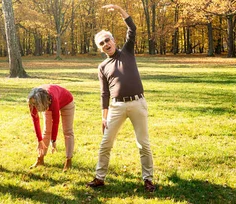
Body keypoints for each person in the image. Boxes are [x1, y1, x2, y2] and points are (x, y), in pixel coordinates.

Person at [86, 4, 156, 192]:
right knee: (105, 143)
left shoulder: (127, 51)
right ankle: (99, 178)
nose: (105, 44)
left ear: (114, 40)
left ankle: (148, 179)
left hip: (137, 103)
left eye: (107, 40)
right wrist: (104, 115)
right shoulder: (102, 67)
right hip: (116, 107)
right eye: (101, 43)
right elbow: (104, 93)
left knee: (143, 144)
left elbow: (132, 28)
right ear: (100, 49)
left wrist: (118, 9)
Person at [28, 85, 75, 172]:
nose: (34, 106)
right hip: (47, 102)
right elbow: (36, 121)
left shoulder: (52, 99)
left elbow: (55, 121)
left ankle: (68, 160)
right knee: (46, 131)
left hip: (67, 101)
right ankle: (40, 159)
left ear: (42, 103)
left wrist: (53, 141)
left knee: (68, 131)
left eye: (36, 105)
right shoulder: (32, 100)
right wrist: (39, 140)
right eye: (34, 104)